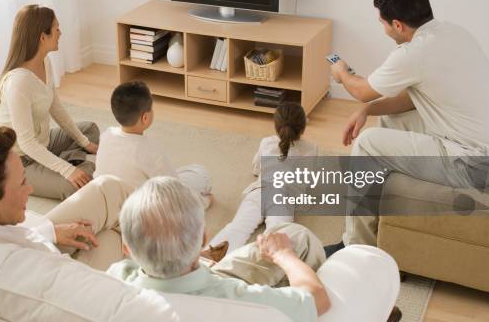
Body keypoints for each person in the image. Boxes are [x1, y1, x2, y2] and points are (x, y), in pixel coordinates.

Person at [326, 0, 489, 254]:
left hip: (475, 164)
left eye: (383, 23)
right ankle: (380, 209)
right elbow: (414, 98)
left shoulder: (414, 54)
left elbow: (362, 90)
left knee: (367, 143)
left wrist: (341, 72)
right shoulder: (453, 33)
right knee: (389, 122)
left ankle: (356, 248)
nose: (383, 28)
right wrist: (367, 110)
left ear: (398, 25)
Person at [107, 176, 331, 322]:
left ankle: (209, 257)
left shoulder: (115, 279)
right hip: (213, 282)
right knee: (297, 236)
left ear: (126, 248)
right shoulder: (240, 300)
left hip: (198, 275)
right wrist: (284, 255)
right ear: (204, 237)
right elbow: (317, 299)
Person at [0, 122, 130, 271]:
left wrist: (48, 234)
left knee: (107, 188)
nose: (31, 189)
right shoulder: (17, 267)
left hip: (37, 248)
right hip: (67, 278)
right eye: (22, 182)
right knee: (109, 236)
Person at [0, 5, 99, 200]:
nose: (60, 33)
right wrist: (68, 171)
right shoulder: (19, 83)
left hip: (44, 144)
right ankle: (70, 164)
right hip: (21, 160)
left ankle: (67, 162)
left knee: (90, 130)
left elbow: (55, 107)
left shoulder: (45, 62)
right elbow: (26, 143)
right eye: (56, 28)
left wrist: (84, 142)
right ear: (43, 37)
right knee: (75, 187)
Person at [207, 102, 318, 258]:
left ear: (276, 125)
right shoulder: (311, 148)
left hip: (259, 191)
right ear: (303, 127)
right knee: (278, 234)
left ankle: (209, 258)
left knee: (238, 226)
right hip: (282, 197)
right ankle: (269, 266)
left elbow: (256, 168)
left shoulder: (266, 142)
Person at [94, 81, 213, 208]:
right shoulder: (151, 151)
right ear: (145, 118)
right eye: (151, 108)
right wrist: (203, 201)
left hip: (108, 202)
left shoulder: (106, 135)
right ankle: (201, 199)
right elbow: (176, 192)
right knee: (200, 173)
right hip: (144, 210)